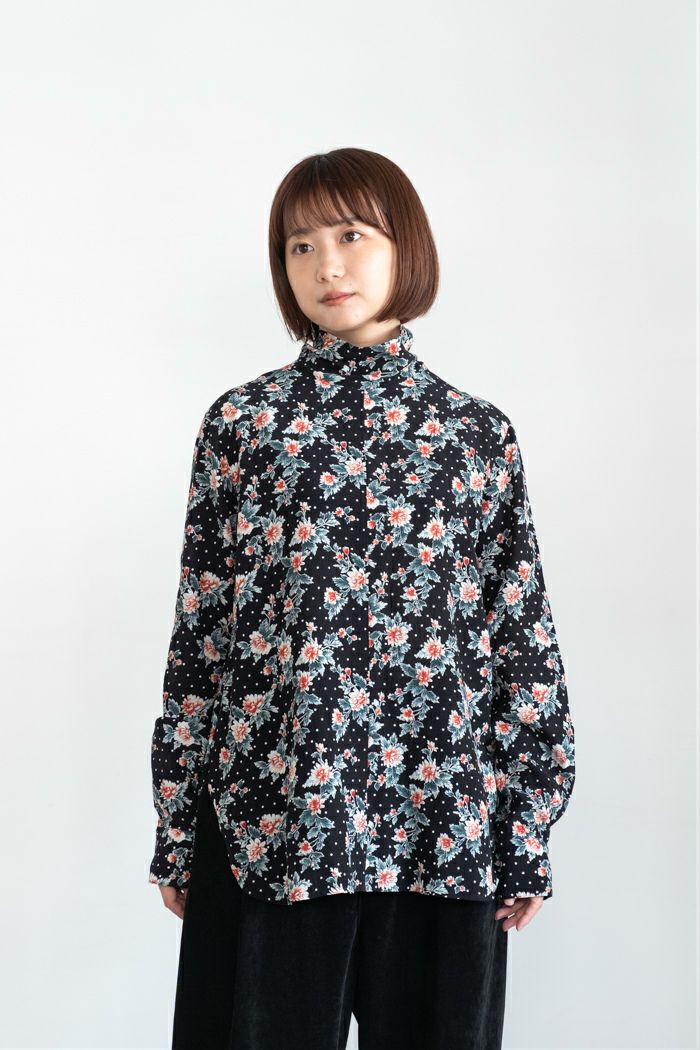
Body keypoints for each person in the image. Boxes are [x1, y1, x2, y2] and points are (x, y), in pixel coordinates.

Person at [147, 147, 576, 1050]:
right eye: (299, 246)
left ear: (405, 246)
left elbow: (520, 639)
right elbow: (202, 637)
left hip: (441, 825)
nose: (326, 265)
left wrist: (525, 827)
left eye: (351, 235)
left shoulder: (474, 434)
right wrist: (180, 825)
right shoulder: (244, 424)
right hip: (273, 821)